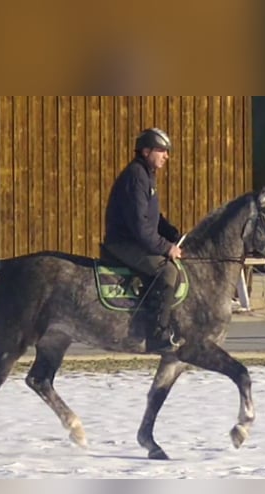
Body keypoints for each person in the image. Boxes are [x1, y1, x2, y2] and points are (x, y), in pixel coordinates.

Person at [101, 127, 183, 353]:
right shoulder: (137, 176)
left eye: (167, 151)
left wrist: (172, 233)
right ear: (146, 151)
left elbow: (152, 217)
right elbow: (140, 227)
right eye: (161, 150)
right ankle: (157, 334)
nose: (166, 155)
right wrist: (166, 248)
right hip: (123, 243)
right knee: (168, 272)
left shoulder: (147, 175)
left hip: (136, 240)